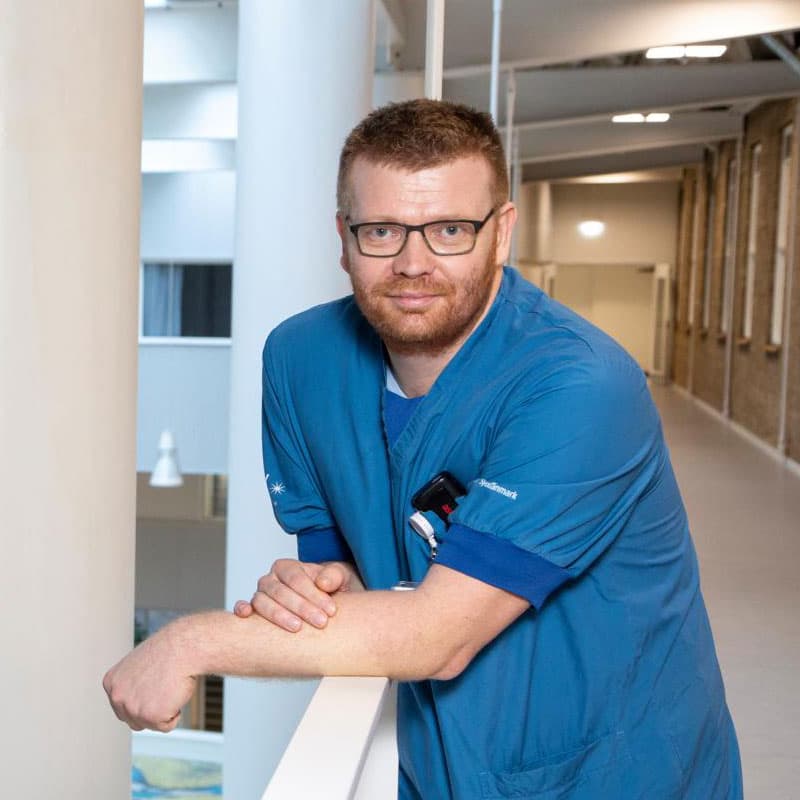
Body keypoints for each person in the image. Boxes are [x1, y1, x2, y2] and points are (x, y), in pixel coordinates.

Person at [104, 99, 742, 799]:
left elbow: (439, 636)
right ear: (342, 237)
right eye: (381, 230)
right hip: (438, 768)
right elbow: (337, 576)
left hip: (615, 774)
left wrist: (189, 641)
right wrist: (319, 588)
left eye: (449, 230)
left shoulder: (579, 385)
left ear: (501, 233)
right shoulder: (300, 360)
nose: (414, 263)